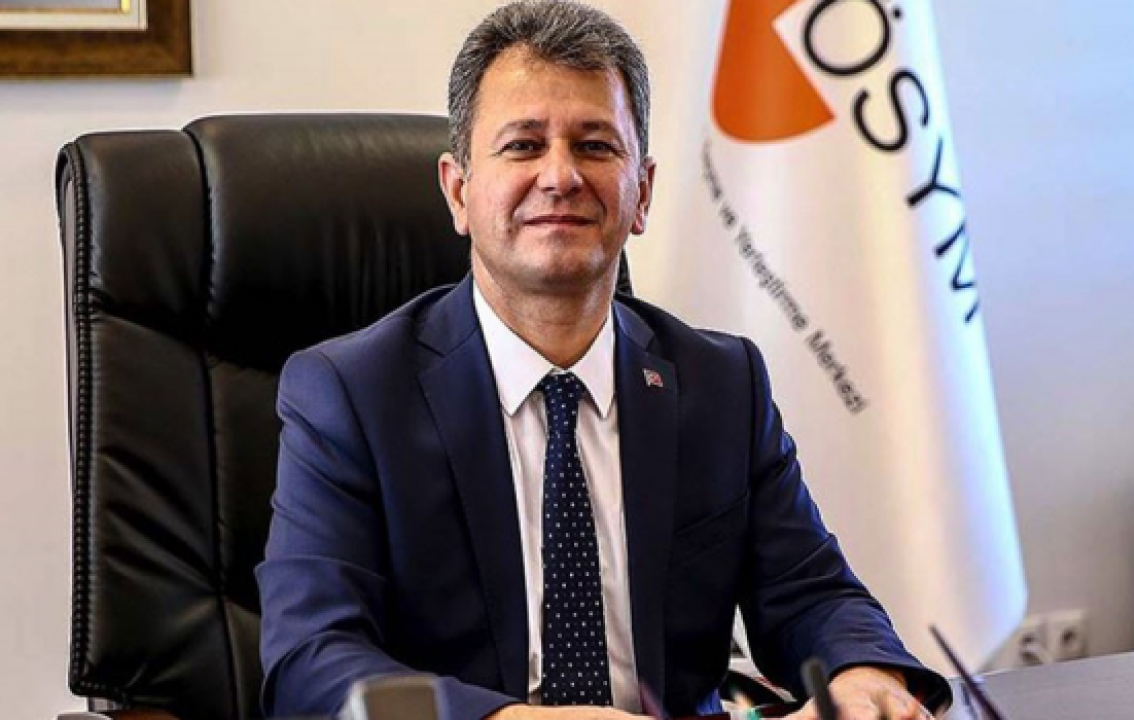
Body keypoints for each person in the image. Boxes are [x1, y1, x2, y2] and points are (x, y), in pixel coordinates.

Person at [257, 2, 951, 719]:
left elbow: (813, 594)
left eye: (594, 146)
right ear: (458, 191)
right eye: (523, 145)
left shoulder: (721, 384)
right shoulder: (351, 395)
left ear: (641, 192)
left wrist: (862, 675)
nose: (560, 176)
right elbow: (311, 661)